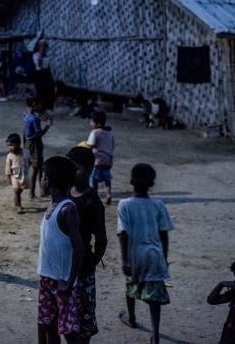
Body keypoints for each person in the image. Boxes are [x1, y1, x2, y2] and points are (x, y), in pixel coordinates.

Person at [117, 163, 174, 344]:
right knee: (154, 296)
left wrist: (125, 258)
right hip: (155, 254)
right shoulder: (158, 204)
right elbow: (164, 233)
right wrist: (164, 257)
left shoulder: (125, 204)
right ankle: (155, 334)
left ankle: (132, 317)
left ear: (131, 181)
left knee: (131, 286)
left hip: (135, 255)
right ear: (152, 183)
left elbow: (123, 233)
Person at [37, 156, 84, 344]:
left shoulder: (67, 209)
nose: (40, 180)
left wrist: (69, 281)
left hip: (62, 282)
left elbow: (79, 248)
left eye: (42, 176)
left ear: (48, 180)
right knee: (50, 325)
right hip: (47, 278)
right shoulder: (53, 206)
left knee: (69, 330)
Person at [66, 146, 107, 343]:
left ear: (90, 169)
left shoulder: (92, 202)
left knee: (83, 322)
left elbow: (101, 239)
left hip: (82, 269)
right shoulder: (66, 193)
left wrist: (92, 263)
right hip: (64, 267)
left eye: (76, 169)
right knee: (66, 319)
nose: (71, 173)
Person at [84, 111, 115, 205]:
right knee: (107, 179)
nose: (90, 123)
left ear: (97, 123)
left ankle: (94, 196)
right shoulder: (110, 134)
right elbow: (112, 146)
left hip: (97, 160)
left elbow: (89, 146)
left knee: (94, 179)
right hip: (108, 160)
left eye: (91, 122)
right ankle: (108, 194)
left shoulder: (94, 133)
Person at [23, 97, 51, 199]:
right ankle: (33, 193)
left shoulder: (26, 115)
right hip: (35, 144)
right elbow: (39, 134)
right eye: (40, 104)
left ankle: (41, 190)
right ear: (34, 104)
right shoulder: (34, 119)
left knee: (37, 166)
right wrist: (48, 125)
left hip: (28, 143)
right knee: (35, 168)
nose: (41, 106)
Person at [5, 133, 32, 212]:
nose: (9, 148)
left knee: (20, 190)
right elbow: (8, 168)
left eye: (11, 145)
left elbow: (29, 161)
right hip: (14, 176)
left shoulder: (26, 152)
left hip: (24, 175)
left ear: (18, 144)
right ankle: (18, 206)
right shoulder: (10, 156)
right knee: (16, 191)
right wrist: (9, 178)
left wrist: (27, 169)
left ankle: (15, 203)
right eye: (8, 146)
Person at [33, 38, 55, 110]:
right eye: (42, 46)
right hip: (40, 74)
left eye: (44, 46)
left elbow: (48, 66)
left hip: (46, 74)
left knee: (48, 92)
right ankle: (38, 108)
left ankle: (45, 108)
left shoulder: (47, 55)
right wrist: (41, 52)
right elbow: (39, 64)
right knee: (40, 92)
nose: (43, 47)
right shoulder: (35, 55)